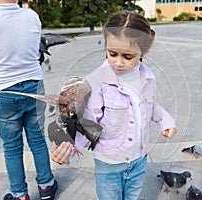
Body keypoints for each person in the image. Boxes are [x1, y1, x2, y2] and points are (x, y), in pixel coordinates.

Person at [50, 10, 176, 200]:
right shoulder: (98, 83)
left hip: (139, 159)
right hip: (109, 163)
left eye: (127, 56)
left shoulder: (147, 77)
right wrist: (68, 147)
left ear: (144, 51)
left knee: (132, 196)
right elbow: (87, 123)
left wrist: (166, 121)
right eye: (112, 53)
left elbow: (150, 105)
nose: (118, 62)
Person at [0, 1, 57, 200]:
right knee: (37, 138)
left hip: (3, 90)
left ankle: (20, 195)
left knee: (12, 145)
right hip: (34, 86)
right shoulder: (31, 16)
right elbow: (36, 51)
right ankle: (46, 187)